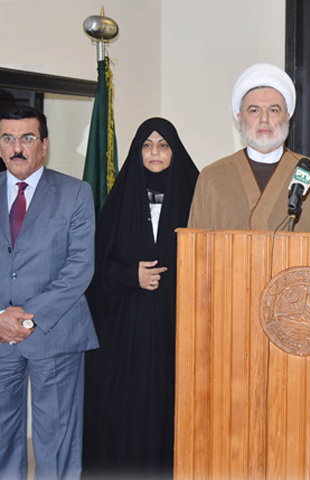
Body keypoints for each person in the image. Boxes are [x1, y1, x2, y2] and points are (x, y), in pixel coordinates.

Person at [83, 118, 199, 478]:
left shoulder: (195, 194)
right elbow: (97, 264)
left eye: (163, 145)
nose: (155, 152)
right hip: (124, 329)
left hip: (174, 326)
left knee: (168, 405)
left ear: (174, 151)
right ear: (137, 151)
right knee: (123, 408)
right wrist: (129, 276)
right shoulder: (120, 200)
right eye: (147, 145)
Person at [0, 105, 96, 479]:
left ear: (44, 145)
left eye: (27, 138)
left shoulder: (75, 192)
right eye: (8, 138)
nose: (17, 147)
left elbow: (79, 267)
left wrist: (27, 317)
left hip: (55, 332)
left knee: (55, 442)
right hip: (0, 333)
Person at [188, 63, 310, 232]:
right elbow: (197, 249)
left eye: (274, 110)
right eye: (254, 111)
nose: (264, 120)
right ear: (240, 118)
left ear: (287, 117)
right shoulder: (212, 177)